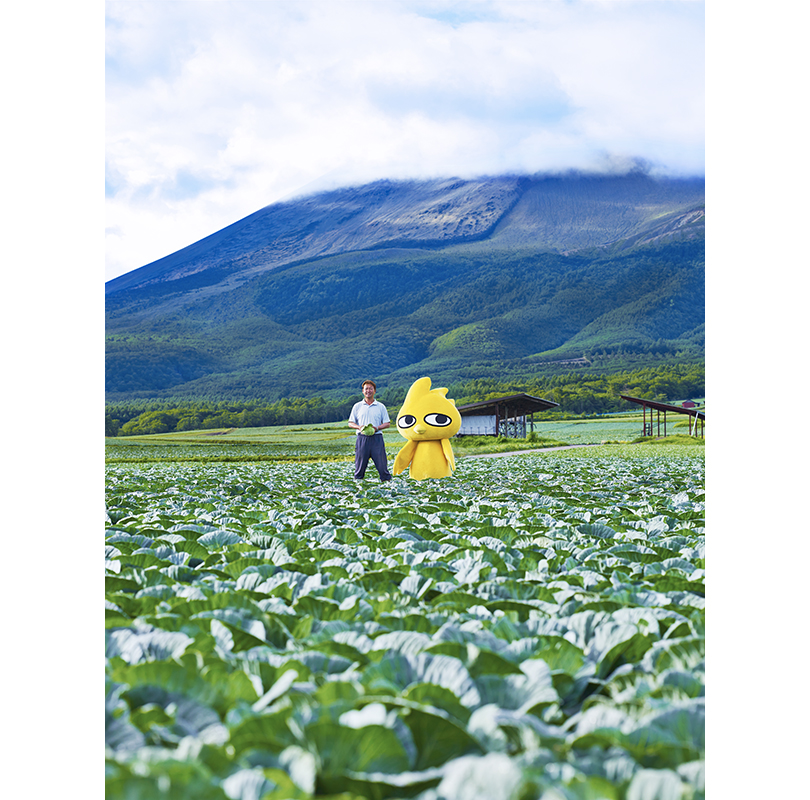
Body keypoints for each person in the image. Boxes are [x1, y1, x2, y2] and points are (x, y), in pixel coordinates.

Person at [348, 380, 392, 481]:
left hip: (377, 438)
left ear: (375, 391)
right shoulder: (357, 406)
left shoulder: (380, 406)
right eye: (366, 389)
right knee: (359, 468)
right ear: (363, 391)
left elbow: (387, 423)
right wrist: (359, 427)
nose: (368, 391)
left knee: (382, 467)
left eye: (371, 389)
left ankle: (388, 488)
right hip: (362, 439)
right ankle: (358, 490)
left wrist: (377, 428)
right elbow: (350, 423)